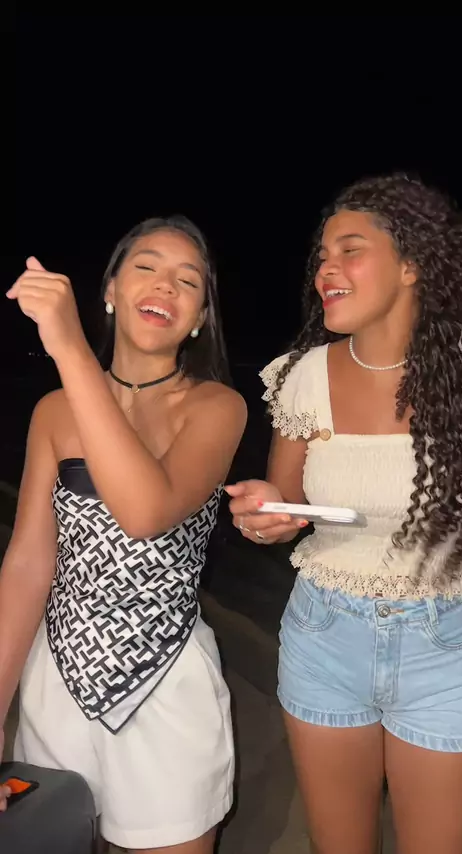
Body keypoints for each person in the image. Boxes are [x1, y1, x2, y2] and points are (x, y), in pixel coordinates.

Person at [227, 173, 462, 854]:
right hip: (324, 636)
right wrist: (265, 516)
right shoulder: (301, 375)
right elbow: (286, 504)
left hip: (449, 646)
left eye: (350, 250)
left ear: (410, 264)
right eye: (321, 256)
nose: (326, 270)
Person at [0, 216, 247, 853]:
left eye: (188, 281)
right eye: (146, 266)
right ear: (110, 290)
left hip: (169, 680)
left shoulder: (217, 407)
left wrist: (70, 347)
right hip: (56, 679)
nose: (166, 285)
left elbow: (145, 513)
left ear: (199, 317)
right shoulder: (53, 412)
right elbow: (27, 565)